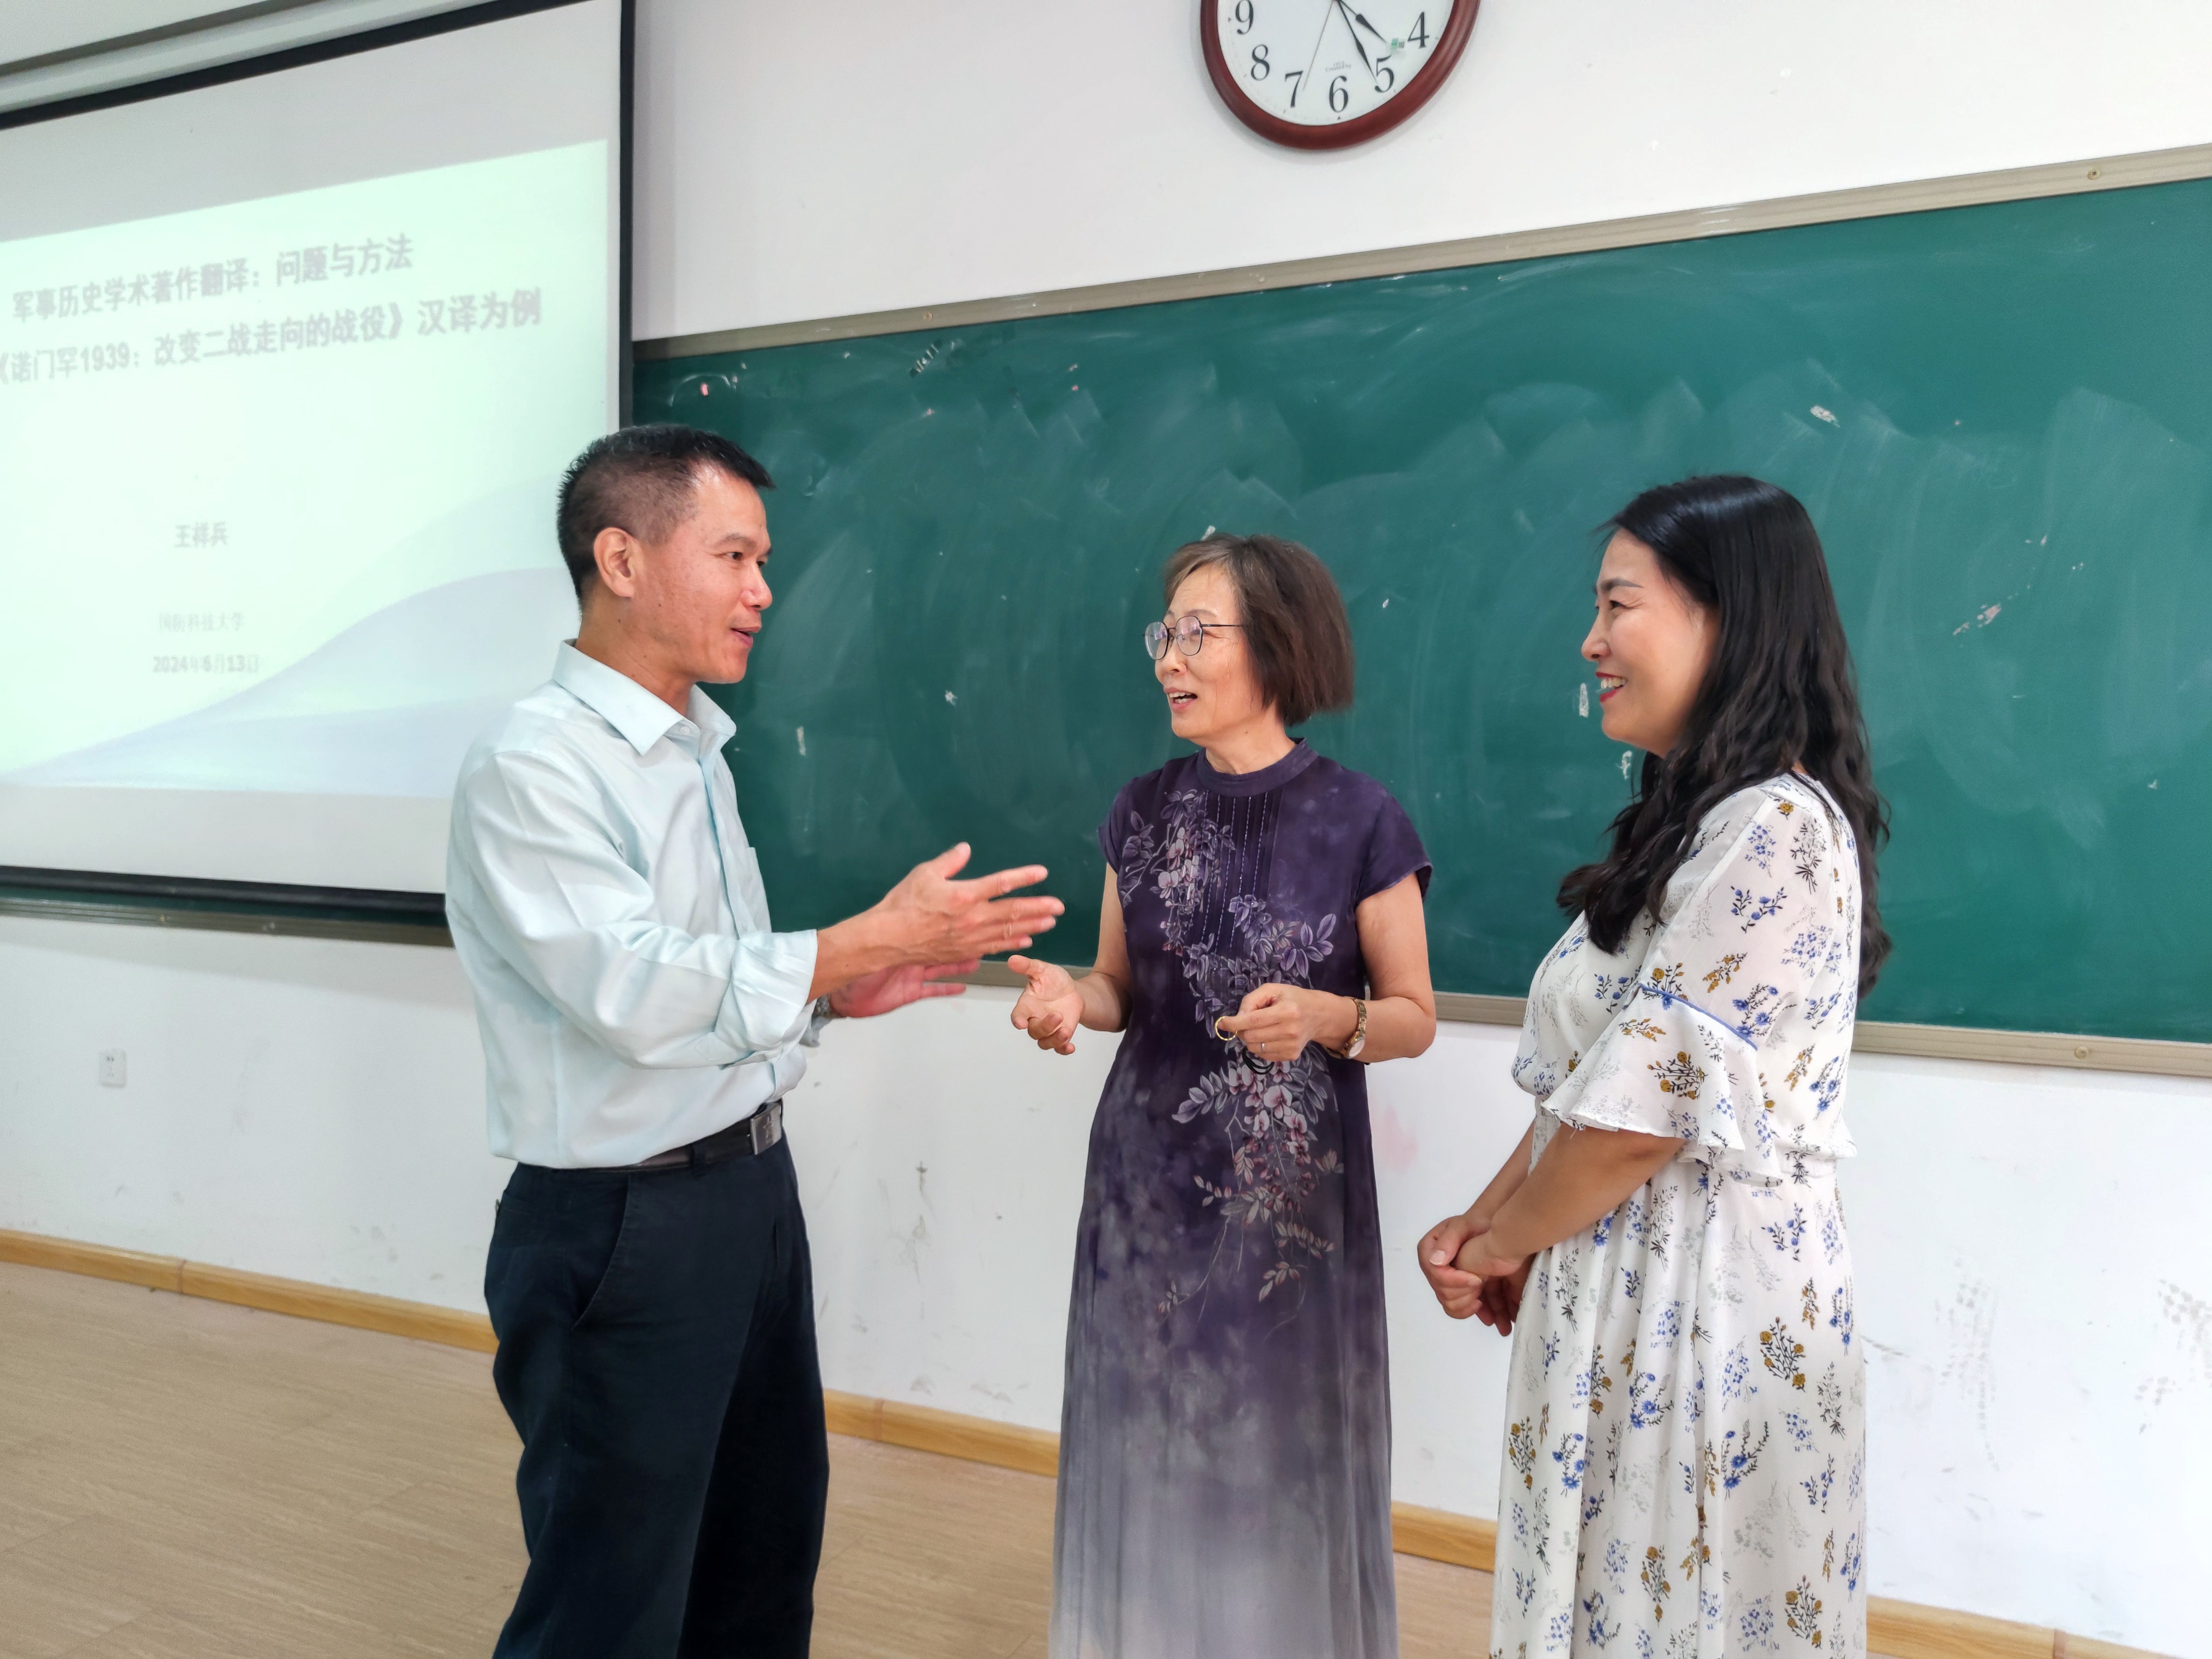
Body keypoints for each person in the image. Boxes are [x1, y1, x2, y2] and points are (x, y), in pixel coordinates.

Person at [446, 423, 1064, 1659]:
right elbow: (629, 987)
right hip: (621, 1224)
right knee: (611, 1604)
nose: (765, 590)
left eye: (762, 561)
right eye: (735, 556)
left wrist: (831, 996)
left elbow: (706, 979)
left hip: (746, 1193)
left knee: (762, 1561)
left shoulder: (698, 751)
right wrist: (852, 944)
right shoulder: (534, 766)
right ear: (622, 560)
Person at [1418, 476, 1889, 1657]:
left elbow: (1640, 1127)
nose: (1591, 641)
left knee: (1686, 1616)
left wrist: (1505, 1242)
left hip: (1703, 1305)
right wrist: (1487, 1223)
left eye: (1619, 604)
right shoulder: (1694, 820)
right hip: (1628, 1283)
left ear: (1729, 617)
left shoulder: (1772, 827)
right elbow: (1598, 1084)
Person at [1007, 533, 1437, 1659]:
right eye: (1167, 634)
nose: (1171, 659)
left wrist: (1326, 1018)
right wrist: (1067, 1000)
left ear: (1279, 646)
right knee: (1146, 1430)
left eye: (1200, 634)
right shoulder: (1141, 811)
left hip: (1286, 1210)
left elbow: (1413, 1015)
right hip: (1144, 1192)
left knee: (1274, 1445)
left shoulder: (1361, 818)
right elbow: (1118, 987)